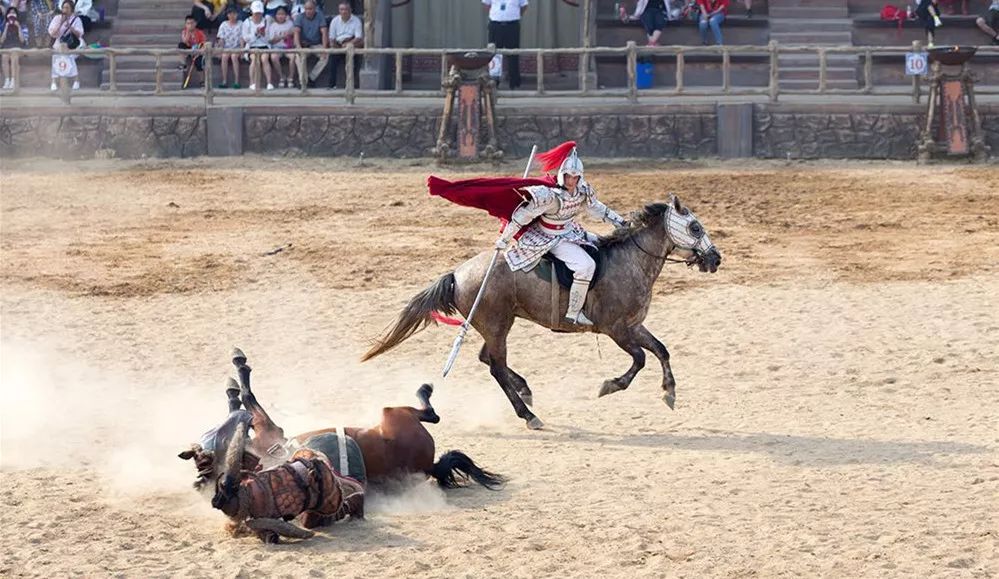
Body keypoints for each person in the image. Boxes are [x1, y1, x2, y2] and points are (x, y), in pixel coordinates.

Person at [494, 142, 627, 326]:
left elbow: (597, 209)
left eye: (575, 177)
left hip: (571, 231)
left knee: (604, 247)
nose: (571, 181)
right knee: (585, 266)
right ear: (561, 175)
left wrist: (620, 222)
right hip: (549, 238)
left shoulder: (582, 192)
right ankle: (574, 313)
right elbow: (523, 216)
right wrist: (504, 238)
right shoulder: (550, 196)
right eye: (568, 176)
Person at [482, 0, 526, 90]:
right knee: (494, 53)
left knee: (513, 52)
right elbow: (487, 5)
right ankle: (494, 81)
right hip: (495, 25)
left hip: (512, 26)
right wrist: (496, 16)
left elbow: (524, 6)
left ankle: (514, 82)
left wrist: (514, 15)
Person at [47, 0, 83, 91]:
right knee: (56, 56)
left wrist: (71, 28)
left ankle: (76, 80)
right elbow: (52, 33)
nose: (65, 10)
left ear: (72, 9)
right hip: (60, 43)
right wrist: (61, 23)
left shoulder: (76, 19)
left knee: (69, 56)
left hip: (74, 44)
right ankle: (54, 82)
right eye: (63, 7)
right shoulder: (57, 18)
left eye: (67, 8)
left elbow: (79, 35)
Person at [292, 0, 327, 87]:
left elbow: (324, 33)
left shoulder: (320, 16)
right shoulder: (300, 17)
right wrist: (298, 47)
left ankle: (311, 78)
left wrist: (324, 49)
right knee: (298, 56)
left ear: (315, 9)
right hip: (304, 45)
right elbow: (296, 33)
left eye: (310, 9)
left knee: (326, 56)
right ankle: (303, 81)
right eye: (306, 9)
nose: (308, 11)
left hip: (316, 44)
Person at [327, 0, 361, 89]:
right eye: (341, 9)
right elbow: (332, 38)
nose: (344, 11)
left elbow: (358, 37)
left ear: (350, 10)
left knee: (353, 60)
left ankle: (351, 85)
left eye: (346, 9)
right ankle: (332, 85)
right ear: (339, 10)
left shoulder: (356, 20)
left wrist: (348, 44)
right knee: (332, 60)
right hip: (338, 44)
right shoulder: (335, 21)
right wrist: (335, 46)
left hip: (351, 43)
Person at [242, 0, 273, 89]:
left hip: (264, 46)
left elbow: (269, 38)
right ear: (252, 12)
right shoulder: (246, 22)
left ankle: (269, 83)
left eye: (259, 13)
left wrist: (263, 34)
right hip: (251, 46)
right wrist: (255, 34)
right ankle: (252, 83)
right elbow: (245, 38)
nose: (257, 15)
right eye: (256, 13)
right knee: (255, 59)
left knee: (264, 59)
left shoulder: (267, 21)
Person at [267, 5, 294, 87]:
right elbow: (271, 41)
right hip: (277, 47)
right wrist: (281, 37)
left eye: (283, 14)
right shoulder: (273, 25)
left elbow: (293, 34)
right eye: (279, 14)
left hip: (288, 48)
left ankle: (290, 78)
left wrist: (290, 33)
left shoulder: (290, 23)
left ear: (286, 15)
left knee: (294, 57)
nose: (281, 16)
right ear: (275, 15)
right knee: (273, 57)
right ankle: (282, 77)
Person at [2, 5, 28, 89]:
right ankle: (7, 80)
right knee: (4, 57)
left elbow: (23, 40)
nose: (11, 15)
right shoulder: (4, 24)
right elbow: (1, 41)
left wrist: (18, 27)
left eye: (13, 13)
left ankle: (13, 80)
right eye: (10, 13)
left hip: (18, 47)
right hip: (6, 47)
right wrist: (6, 27)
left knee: (14, 56)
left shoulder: (22, 25)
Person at [215, 6, 242, 88]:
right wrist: (221, 49)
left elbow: (242, 38)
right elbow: (221, 39)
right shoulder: (223, 24)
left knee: (234, 56)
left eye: (234, 13)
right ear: (227, 15)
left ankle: (237, 81)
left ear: (237, 14)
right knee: (224, 56)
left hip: (237, 48)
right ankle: (224, 81)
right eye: (230, 14)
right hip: (226, 48)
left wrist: (242, 50)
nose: (232, 15)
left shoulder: (241, 23)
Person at [178, 14, 207, 88]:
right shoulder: (184, 32)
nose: (190, 25)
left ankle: (202, 82)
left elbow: (203, 44)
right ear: (185, 24)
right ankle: (183, 64)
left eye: (192, 23)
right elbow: (185, 41)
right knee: (181, 45)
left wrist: (198, 51)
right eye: (188, 23)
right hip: (188, 48)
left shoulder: (200, 32)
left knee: (199, 64)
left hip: (197, 50)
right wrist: (188, 33)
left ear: (195, 23)